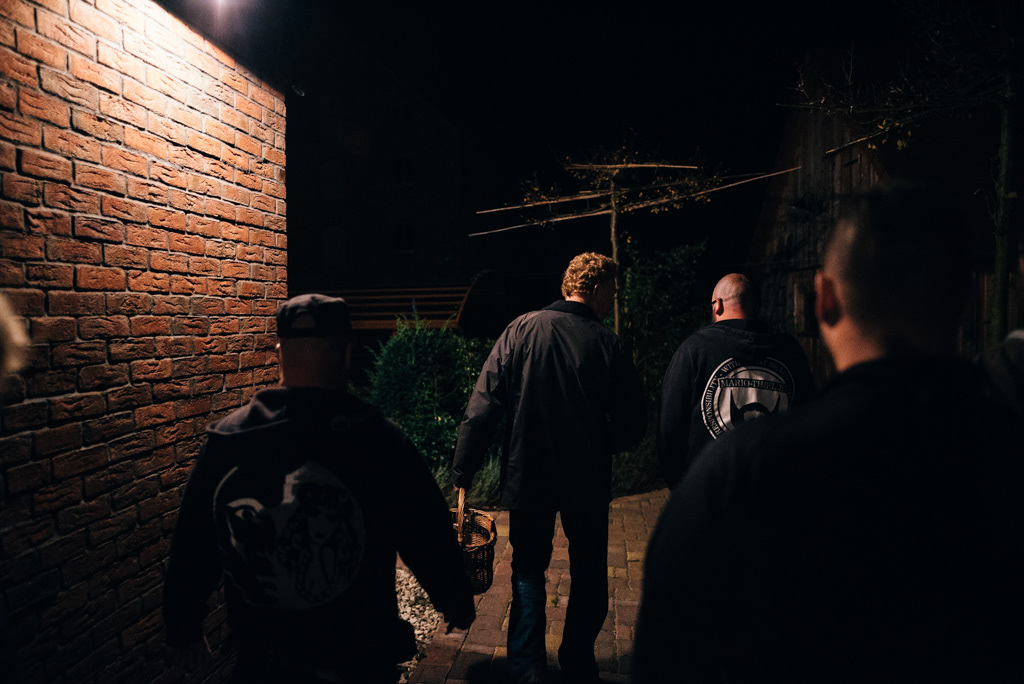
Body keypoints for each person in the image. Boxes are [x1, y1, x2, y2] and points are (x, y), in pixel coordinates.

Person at [633, 181, 1024, 683]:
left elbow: (666, 654)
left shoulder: (737, 479)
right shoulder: (1003, 452)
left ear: (825, 300)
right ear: (964, 299)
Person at [163, 294, 475, 684]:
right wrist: (455, 600)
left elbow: (194, 540)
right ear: (346, 354)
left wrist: (183, 624)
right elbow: (425, 531)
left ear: (279, 354)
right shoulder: (379, 442)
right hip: (358, 660)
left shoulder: (229, 442)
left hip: (265, 659)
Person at [452, 253, 646, 684]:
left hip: (530, 474)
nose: (612, 300)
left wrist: (463, 468)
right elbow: (634, 420)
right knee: (589, 572)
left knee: (527, 569)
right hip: (586, 480)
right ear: (596, 288)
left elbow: (483, 405)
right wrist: (603, 443)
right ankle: (577, 661)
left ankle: (527, 669)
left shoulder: (522, 329)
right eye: (612, 292)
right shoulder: (608, 344)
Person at [658, 272, 814, 488]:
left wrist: (682, 487)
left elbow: (669, 428)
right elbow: (809, 420)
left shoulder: (694, 350)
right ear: (756, 306)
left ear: (717, 305)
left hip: (710, 489)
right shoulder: (790, 351)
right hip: (775, 487)